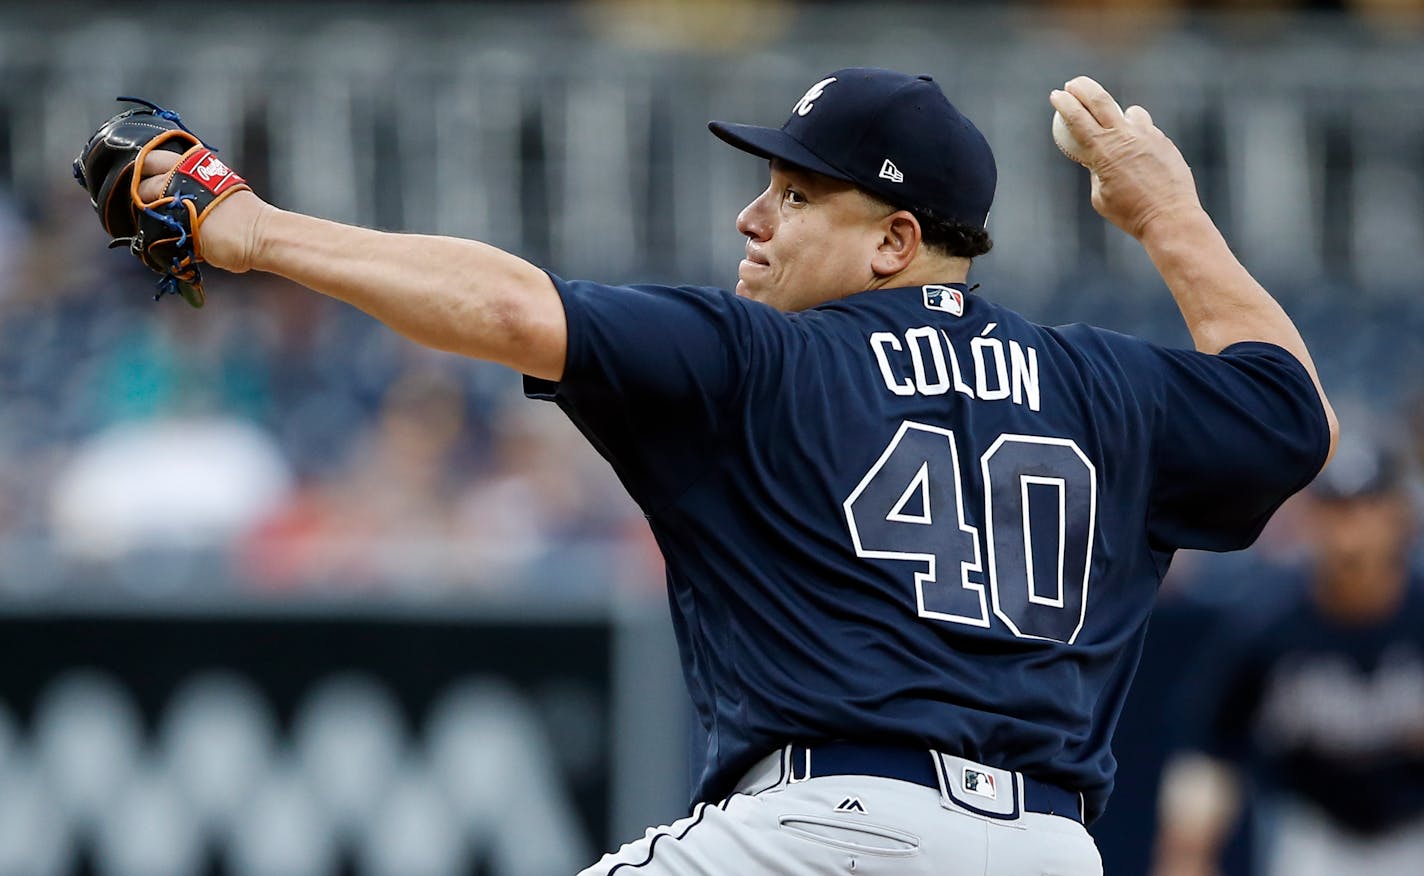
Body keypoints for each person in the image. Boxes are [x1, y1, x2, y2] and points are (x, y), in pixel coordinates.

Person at [121, 69, 1338, 875]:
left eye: (795, 194)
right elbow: (1291, 419)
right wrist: (1165, 213)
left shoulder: (757, 356)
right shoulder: (1105, 387)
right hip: (1048, 851)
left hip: (827, 831)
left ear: (893, 241)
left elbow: (501, 303)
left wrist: (254, 230)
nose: (753, 219)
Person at [1151, 433, 1424, 876]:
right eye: (1336, 512)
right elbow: (1210, 747)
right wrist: (1187, 853)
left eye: (1367, 510)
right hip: (1317, 835)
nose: (1350, 535)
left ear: (1400, 517)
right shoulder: (1269, 623)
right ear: (1311, 520)